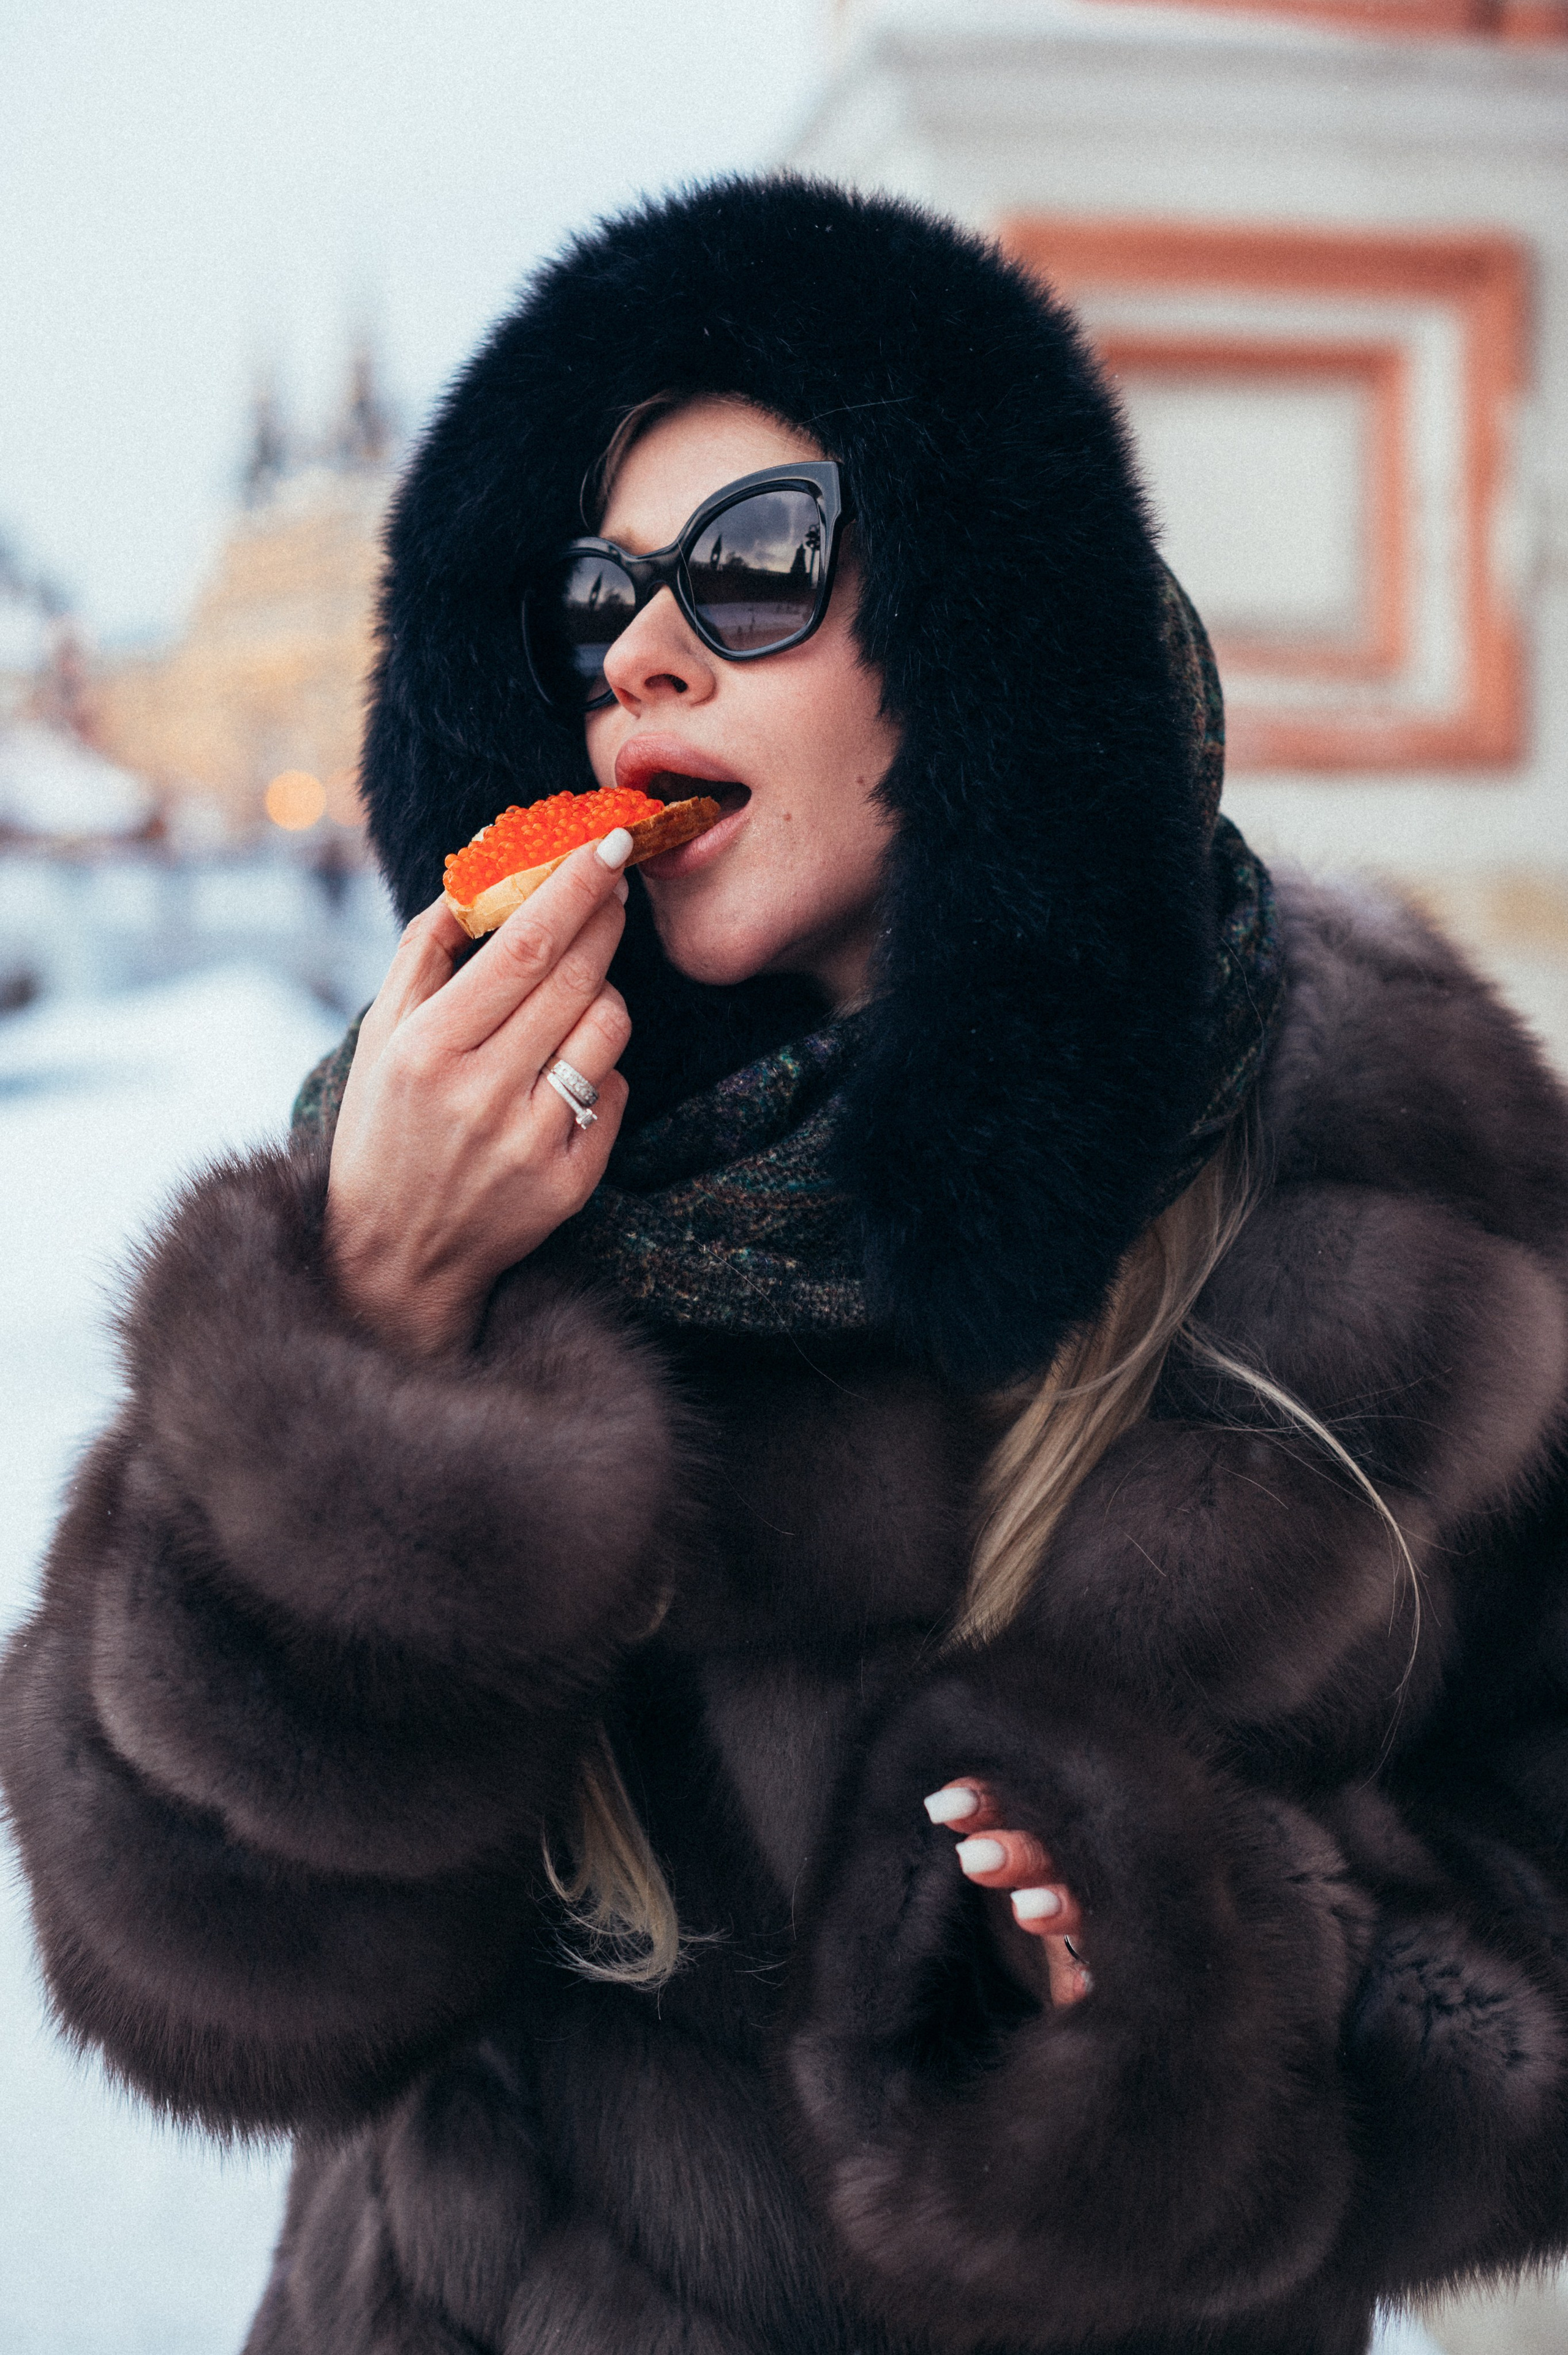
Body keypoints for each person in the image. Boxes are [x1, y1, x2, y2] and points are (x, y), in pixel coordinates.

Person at [6, 176, 1568, 2355]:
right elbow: (181, 1962)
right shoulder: (473, 1184)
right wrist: (369, 1334)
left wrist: (1207, 2013)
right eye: (590, 606)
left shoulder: (1400, 1165)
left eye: (750, 570)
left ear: (979, 628)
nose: (640, 653)